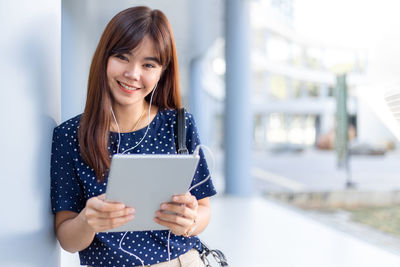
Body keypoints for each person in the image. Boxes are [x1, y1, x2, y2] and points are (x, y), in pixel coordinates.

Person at [51, 6, 216, 267]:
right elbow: (67, 239)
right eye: (123, 57)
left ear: (162, 72)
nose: (133, 73)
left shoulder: (178, 125)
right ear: (104, 58)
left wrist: (191, 221)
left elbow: (203, 209)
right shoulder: (70, 136)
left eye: (148, 64)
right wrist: (87, 221)